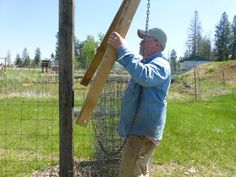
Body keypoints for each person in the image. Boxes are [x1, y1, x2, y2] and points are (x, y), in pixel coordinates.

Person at [108, 27, 171, 177]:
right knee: (138, 171)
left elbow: (144, 75)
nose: (140, 42)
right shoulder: (146, 62)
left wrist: (122, 48)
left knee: (129, 172)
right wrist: (112, 51)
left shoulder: (161, 64)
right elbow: (136, 67)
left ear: (157, 43)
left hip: (143, 134)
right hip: (140, 132)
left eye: (145, 39)